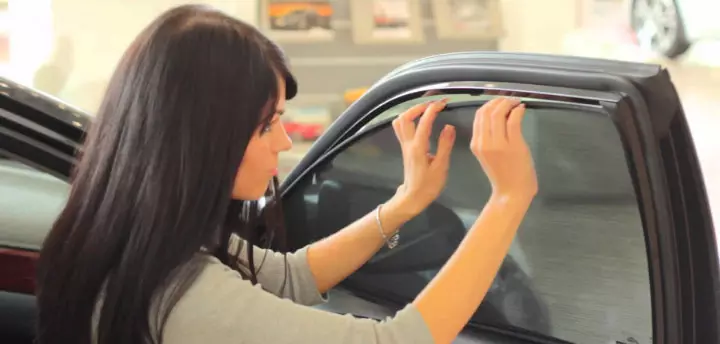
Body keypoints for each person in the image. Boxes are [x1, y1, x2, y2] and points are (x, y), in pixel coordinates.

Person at [35, 4, 537, 344]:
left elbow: (289, 277)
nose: (284, 141)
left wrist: (406, 202)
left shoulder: (130, 238)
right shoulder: (180, 295)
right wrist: (508, 199)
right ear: (204, 138)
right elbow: (400, 341)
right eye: (266, 125)